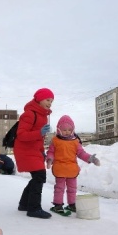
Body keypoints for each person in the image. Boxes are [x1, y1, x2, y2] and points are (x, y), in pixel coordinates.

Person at [46, 115, 100, 213]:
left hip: (71, 170)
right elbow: (51, 152)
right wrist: (49, 159)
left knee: (72, 188)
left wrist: (91, 158)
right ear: (59, 130)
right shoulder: (55, 141)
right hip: (60, 169)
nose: (67, 131)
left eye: (69, 129)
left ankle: (72, 204)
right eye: (64, 129)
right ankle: (58, 205)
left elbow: (81, 153)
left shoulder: (75, 142)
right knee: (59, 188)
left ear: (73, 130)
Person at [14, 88, 54, 219]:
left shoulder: (43, 116)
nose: (50, 103)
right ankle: (33, 208)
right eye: (47, 100)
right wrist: (39, 132)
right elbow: (21, 135)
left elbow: (39, 140)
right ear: (39, 99)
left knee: (38, 177)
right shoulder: (30, 114)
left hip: (34, 149)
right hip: (25, 149)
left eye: (52, 101)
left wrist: (42, 152)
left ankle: (24, 204)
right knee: (39, 176)